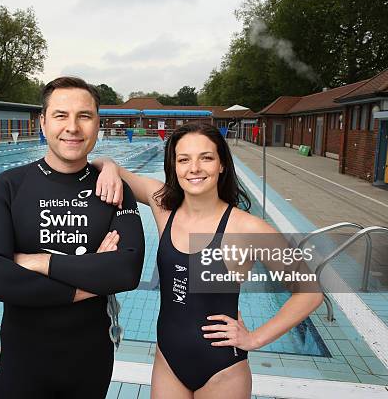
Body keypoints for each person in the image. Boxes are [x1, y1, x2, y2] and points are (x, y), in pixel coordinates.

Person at [93, 123, 323, 398]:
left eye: (206, 157)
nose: (194, 168)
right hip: (168, 363)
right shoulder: (163, 206)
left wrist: (256, 338)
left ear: (222, 164)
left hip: (222, 371)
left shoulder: (247, 228)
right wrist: (108, 167)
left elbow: (310, 291)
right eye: (184, 159)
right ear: (174, 166)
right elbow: (103, 163)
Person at [0, 76, 145, 398]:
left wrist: (38, 262)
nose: (73, 127)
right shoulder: (9, 186)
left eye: (84, 116)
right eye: (61, 115)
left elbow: (126, 271)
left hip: (90, 362)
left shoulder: (113, 190)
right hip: (22, 363)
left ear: (97, 124)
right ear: (43, 121)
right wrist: (93, 278)